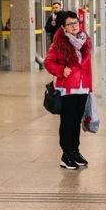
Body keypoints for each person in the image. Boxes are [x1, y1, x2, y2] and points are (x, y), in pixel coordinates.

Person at [44, 12, 93, 169]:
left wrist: (89, 86)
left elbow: (87, 68)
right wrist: (61, 70)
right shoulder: (58, 44)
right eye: (70, 24)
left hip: (82, 88)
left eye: (76, 22)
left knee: (76, 122)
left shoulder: (84, 41)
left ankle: (75, 151)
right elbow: (48, 63)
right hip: (67, 89)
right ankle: (66, 155)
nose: (74, 25)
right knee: (67, 122)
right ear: (63, 28)